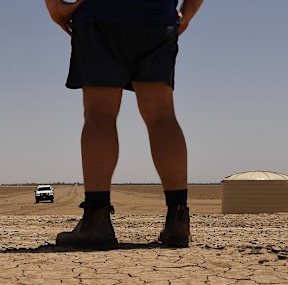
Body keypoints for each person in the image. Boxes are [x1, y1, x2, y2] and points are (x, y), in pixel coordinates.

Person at [45, 0, 204, 249]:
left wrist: (55, 7)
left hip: (102, 14)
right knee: (162, 116)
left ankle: (96, 220)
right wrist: (186, 14)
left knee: (100, 113)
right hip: (157, 18)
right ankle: (178, 220)